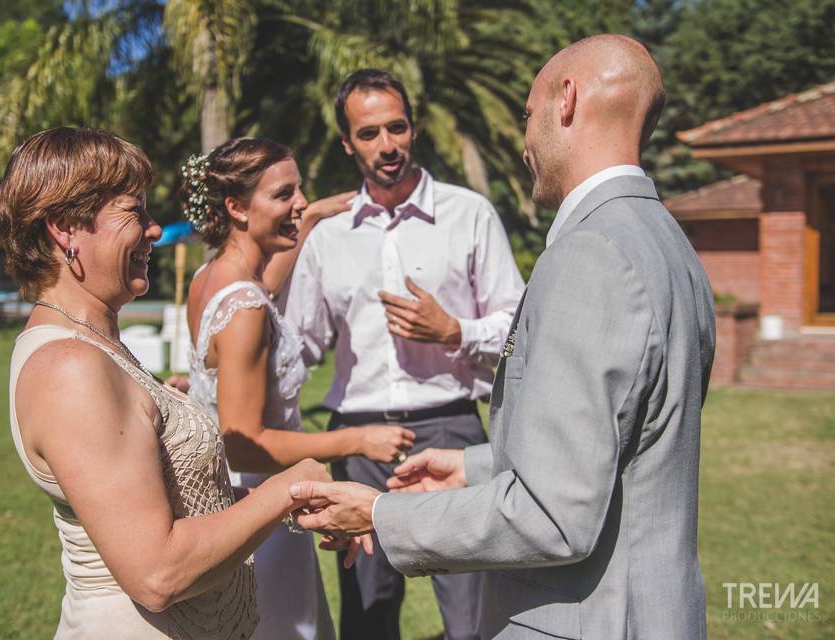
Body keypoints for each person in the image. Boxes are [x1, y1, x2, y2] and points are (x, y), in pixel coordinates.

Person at [289, 34, 716, 639]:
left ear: (565, 101)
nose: (523, 143)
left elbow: (551, 514)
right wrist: (474, 466)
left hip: (593, 617)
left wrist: (381, 512)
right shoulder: (665, 237)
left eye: (527, 114)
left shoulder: (589, 254)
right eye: (367, 133)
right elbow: (609, 442)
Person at [0, 126, 331, 639]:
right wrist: (287, 487)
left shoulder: (94, 342)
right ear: (65, 228)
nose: (153, 230)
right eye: (134, 212)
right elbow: (157, 572)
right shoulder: (69, 366)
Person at [281, 69, 526, 640]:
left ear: (413, 129)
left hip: (453, 433)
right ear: (348, 143)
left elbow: (520, 324)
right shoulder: (329, 233)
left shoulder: (470, 214)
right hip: (357, 439)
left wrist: (455, 330)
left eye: (397, 128)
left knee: (474, 616)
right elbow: (303, 345)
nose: (386, 145)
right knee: (367, 617)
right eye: (369, 133)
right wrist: (216, 375)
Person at [180, 137, 416, 640]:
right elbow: (241, 439)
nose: (301, 201)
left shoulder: (210, 279)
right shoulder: (243, 308)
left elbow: (263, 287)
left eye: (301, 190)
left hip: (229, 505)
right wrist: (357, 440)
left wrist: (307, 221)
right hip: (262, 513)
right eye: (285, 194)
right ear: (236, 208)